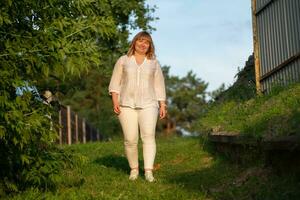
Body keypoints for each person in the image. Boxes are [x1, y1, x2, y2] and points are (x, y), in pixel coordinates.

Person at [108, 31, 167, 182]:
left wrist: (162, 105)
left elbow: (159, 85)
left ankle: (148, 172)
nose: (143, 44)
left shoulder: (154, 62)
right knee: (130, 139)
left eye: (146, 42)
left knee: (148, 136)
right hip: (126, 105)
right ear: (134, 42)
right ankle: (134, 169)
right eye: (140, 41)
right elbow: (115, 82)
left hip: (149, 104)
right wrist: (115, 101)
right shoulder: (123, 60)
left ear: (150, 46)